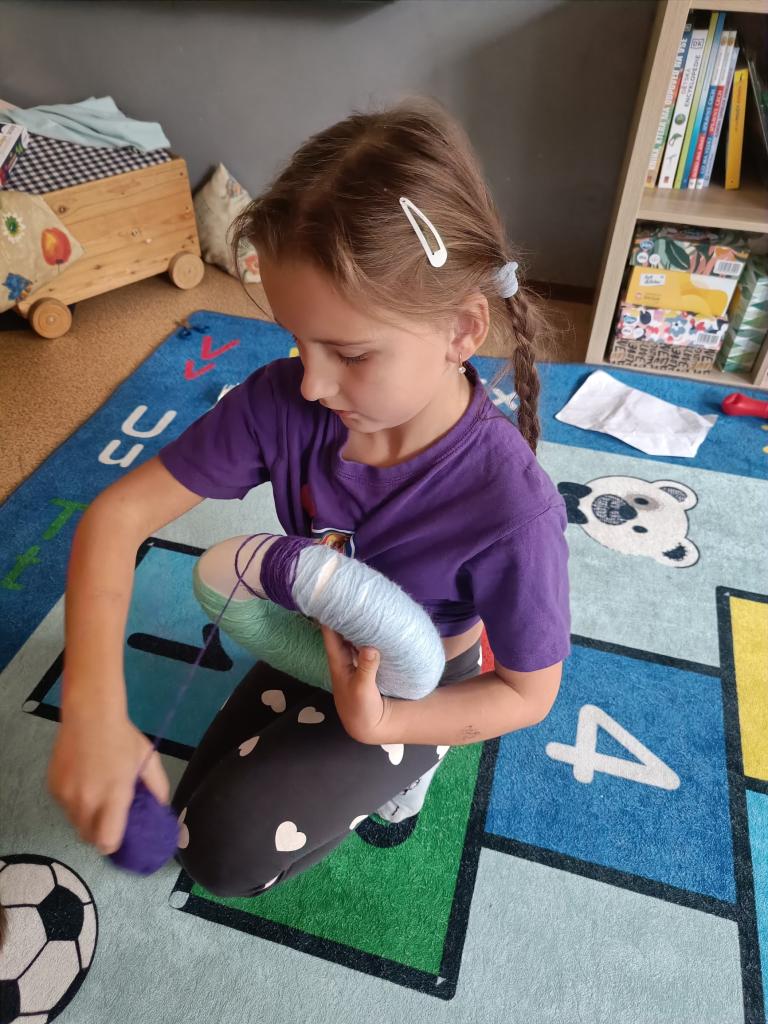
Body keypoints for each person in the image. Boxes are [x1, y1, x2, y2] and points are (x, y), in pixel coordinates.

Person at [47, 96, 571, 899]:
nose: (314, 384)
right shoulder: (279, 401)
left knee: (220, 855)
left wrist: (389, 723)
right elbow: (117, 516)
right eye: (298, 341)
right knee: (189, 812)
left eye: (351, 355)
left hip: (421, 681)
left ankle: (410, 769)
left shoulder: (512, 511)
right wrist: (92, 710)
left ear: (463, 331)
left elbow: (528, 694)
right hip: (314, 631)